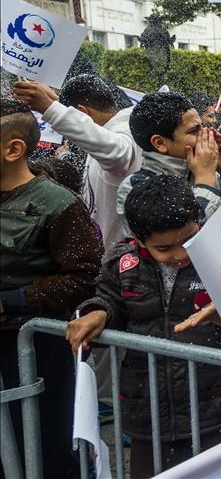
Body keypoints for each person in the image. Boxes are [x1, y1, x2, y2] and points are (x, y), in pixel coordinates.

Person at [66, 175, 221, 478]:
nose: (180, 254)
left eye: (187, 240)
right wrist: (98, 312)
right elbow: (108, 300)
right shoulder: (123, 264)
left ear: (197, 221)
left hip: (216, 407)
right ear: (139, 238)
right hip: (148, 411)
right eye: (164, 248)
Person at [1, 99, 103, 479]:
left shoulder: (58, 204)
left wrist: (10, 302)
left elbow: (83, 278)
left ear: (14, 149)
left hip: (32, 351)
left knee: (43, 451)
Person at [13, 75, 142, 248]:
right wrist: (57, 104)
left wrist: (51, 109)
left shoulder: (125, 131)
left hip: (120, 261)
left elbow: (118, 153)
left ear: (82, 112)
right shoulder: (107, 127)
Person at [119, 91, 221, 228]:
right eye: (194, 131)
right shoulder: (134, 188)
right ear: (160, 143)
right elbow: (182, 244)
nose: (207, 134)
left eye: (203, 126)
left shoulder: (212, 172)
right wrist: (205, 183)